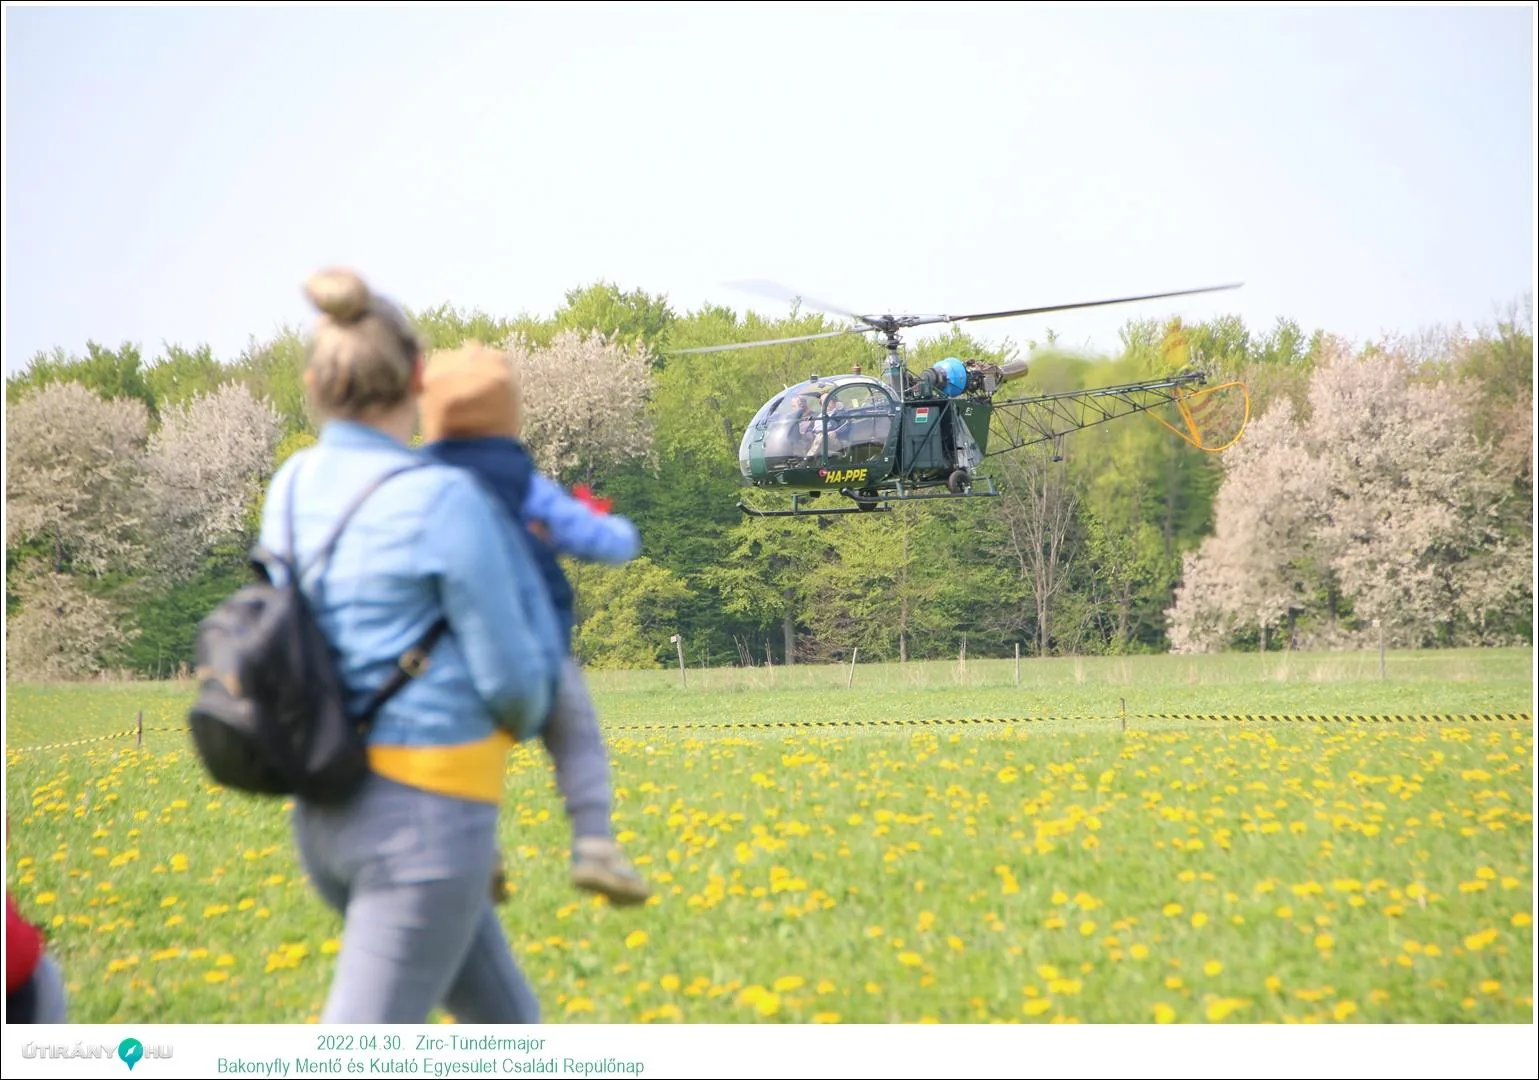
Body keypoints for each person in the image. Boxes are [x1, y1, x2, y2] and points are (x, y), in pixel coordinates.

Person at [258, 267, 563, 1025]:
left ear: (314, 384)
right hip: (424, 824)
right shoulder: (443, 497)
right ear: (418, 377)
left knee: (510, 1032)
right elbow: (515, 686)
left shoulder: (290, 485)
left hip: (323, 808)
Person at [417, 342, 650, 907]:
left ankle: (479, 851)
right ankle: (594, 843)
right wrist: (605, 525)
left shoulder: (416, 485)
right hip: (536, 645)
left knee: (462, 750)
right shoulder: (522, 481)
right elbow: (609, 543)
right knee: (576, 737)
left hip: (447, 652)